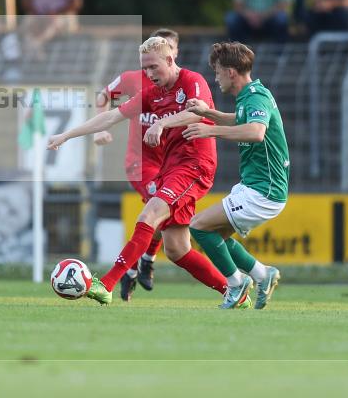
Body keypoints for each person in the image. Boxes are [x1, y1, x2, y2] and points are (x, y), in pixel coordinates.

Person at [48, 37, 230, 306]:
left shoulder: (192, 80)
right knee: (177, 249)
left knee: (149, 213)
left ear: (170, 60)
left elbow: (199, 113)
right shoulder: (151, 94)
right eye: (144, 68)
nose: (149, 74)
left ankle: (107, 283)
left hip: (196, 165)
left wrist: (161, 124)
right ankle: (233, 291)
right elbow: (111, 116)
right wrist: (67, 134)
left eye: (154, 67)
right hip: (171, 167)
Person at [184, 42, 289, 309]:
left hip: (264, 190)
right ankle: (263, 274)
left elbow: (255, 132)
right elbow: (239, 120)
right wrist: (208, 114)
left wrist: (209, 131)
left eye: (218, 72)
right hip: (255, 186)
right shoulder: (248, 97)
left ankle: (236, 283)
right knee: (214, 234)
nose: (215, 78)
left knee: (198, 226)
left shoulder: (255, 96)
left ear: (231, 72)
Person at [94, 29, 179, 301]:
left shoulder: (180, 84)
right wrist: (98, 130)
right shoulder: (133, 79)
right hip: (139, 163)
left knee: (161, 216)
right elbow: (102, 96)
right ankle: (145, 262)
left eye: (174, 50)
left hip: (169, 164)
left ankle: (137, 267)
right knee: (157, 209)